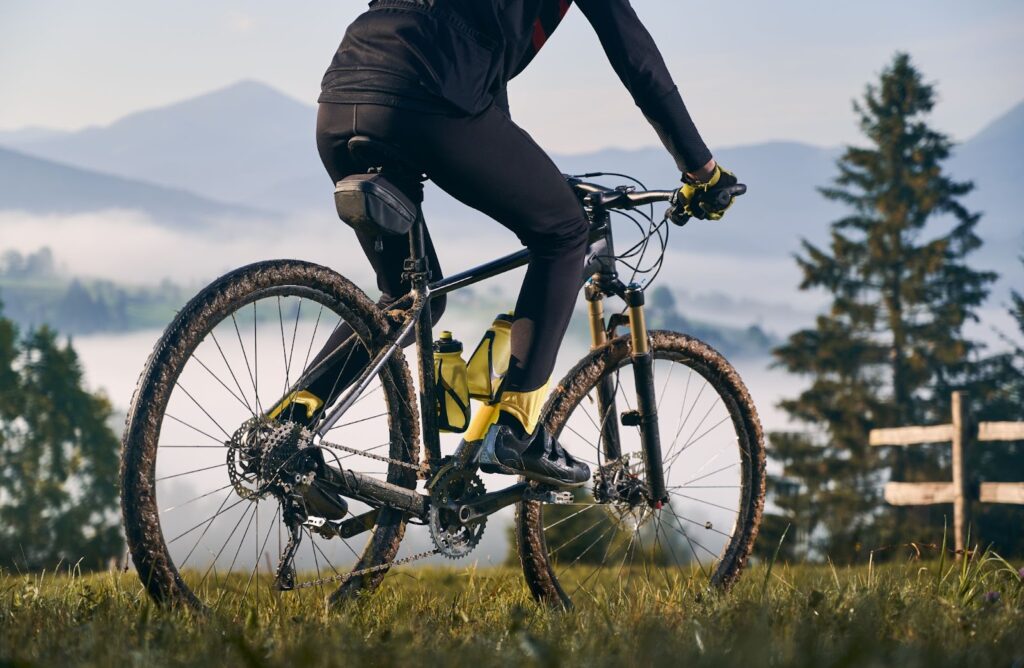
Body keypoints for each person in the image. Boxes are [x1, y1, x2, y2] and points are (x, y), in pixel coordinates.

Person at [280, 0, 742, 488]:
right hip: (430, 96)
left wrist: (528, 171)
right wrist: (701, 170)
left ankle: (288, 426)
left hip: (341, 98)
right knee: (565, 233)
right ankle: (518, 429)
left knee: (407, 299)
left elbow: (476, 54)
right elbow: (635, 55)